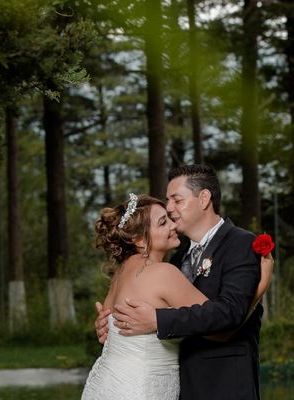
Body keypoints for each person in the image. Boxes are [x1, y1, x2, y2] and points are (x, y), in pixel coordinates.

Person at [95, 165, 271, 400]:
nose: (170, 208)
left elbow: (230, 313)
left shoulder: (240, 243)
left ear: (204, 199)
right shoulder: (176, 257)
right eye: (168, 201)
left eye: (177, 200)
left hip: (223, 386)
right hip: (176, 386)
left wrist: (157, 320)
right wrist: (111, 326)